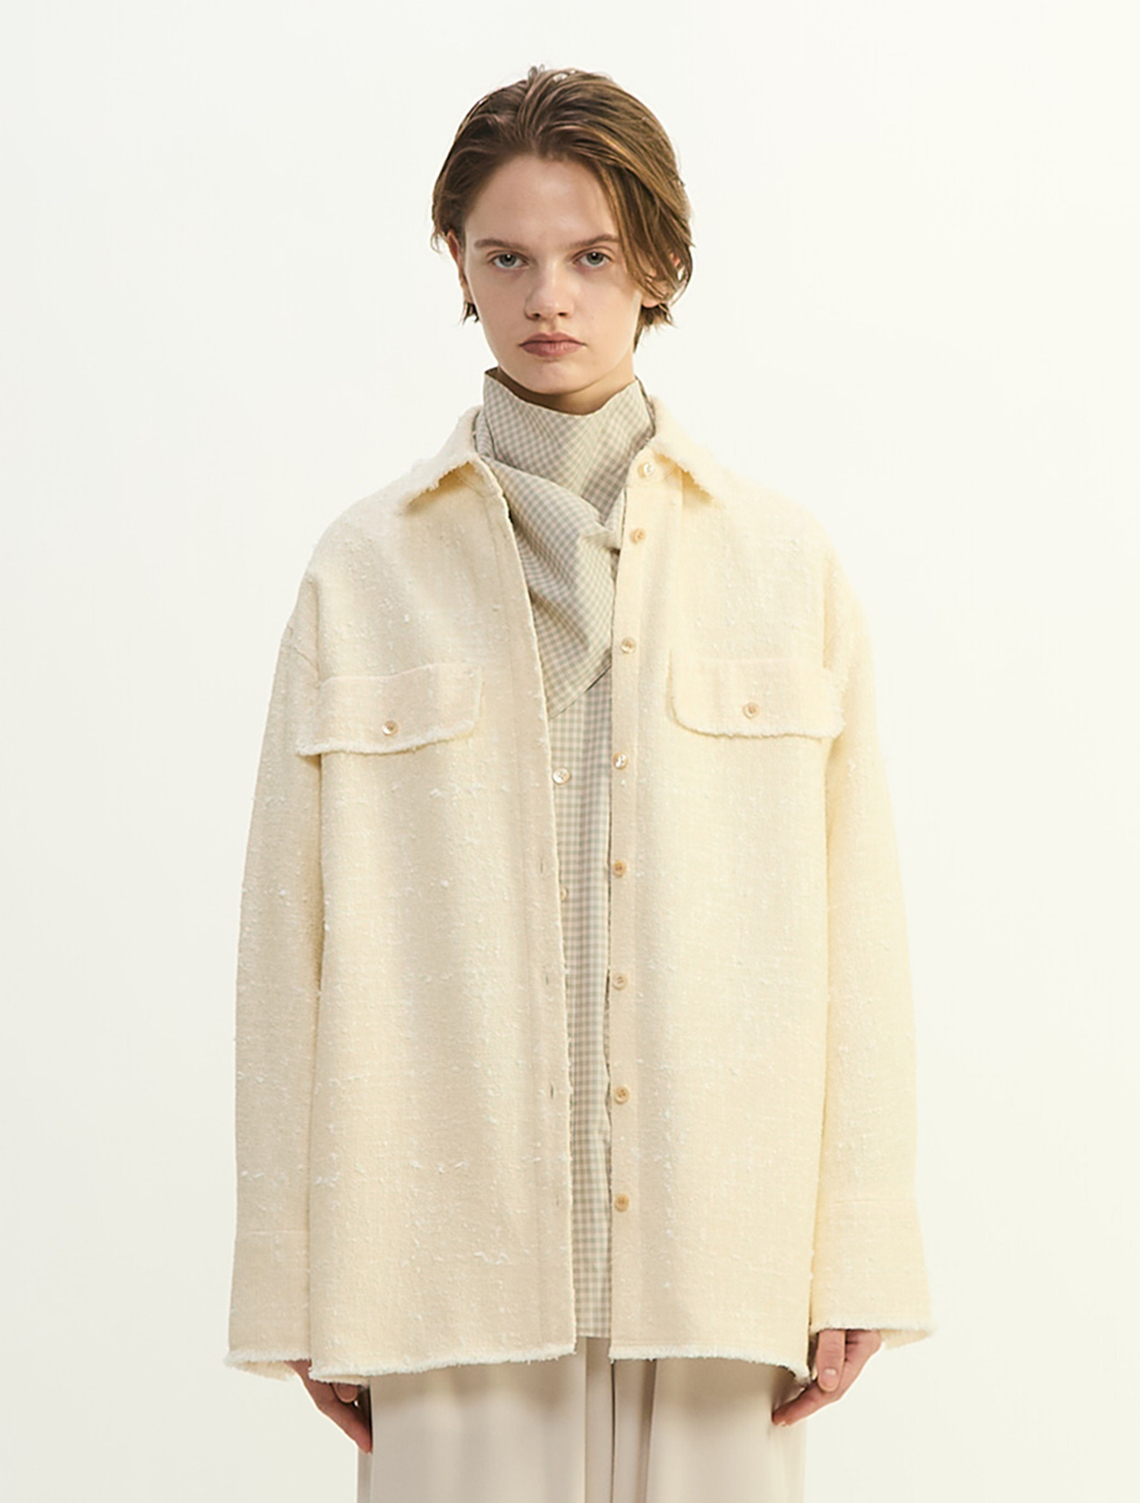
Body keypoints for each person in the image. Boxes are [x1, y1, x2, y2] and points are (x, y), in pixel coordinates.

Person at [225, 64, 934, 1503]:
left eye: (592, 256)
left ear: (656, 262)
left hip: (722, 1256)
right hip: (439, 1262)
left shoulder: (781, 565)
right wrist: (290, 1279)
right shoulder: (363, 573)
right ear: (458, 265)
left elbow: (859, 929)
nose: (549, 297)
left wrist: (860, 1249)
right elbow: (284, 947)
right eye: (507, 258)